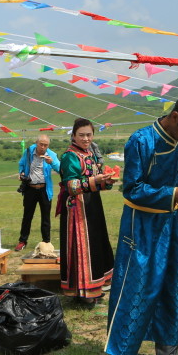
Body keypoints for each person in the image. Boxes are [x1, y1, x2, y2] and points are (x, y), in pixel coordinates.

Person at [104, 94, 178, 355]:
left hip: (173, 222)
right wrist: (172, 193)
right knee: (138, 284)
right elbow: (132, 188)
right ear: (175, 117)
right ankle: (126, 348)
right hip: (140, 223)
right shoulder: (141, 141)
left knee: (175, 286)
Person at [56, 118, 116, 305]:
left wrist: (107, 181)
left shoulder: (90, 153)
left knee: (95, 245)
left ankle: (94, 288)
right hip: (76, 208)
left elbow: (96, 182)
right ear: (73, 135)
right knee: (82, 248)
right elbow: (71, 185)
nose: (86, 138)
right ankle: (82, 292)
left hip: (92, 204)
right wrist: (95, 181)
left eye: (89, 134)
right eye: (81, 135)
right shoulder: (69, 156)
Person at [15, 135, 60, 252]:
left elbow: (60, 168)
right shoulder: (29, 151)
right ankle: (22, 241)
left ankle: (46, 242)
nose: (43, 147)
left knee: (45, 217)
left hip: (44, 189)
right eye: (41, 144)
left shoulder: (51, 154)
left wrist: (51, 163)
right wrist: (21, 173)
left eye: (46, 145)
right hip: (30, 188)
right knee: (27, 216)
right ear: (36, 143)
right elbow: (21, 164)